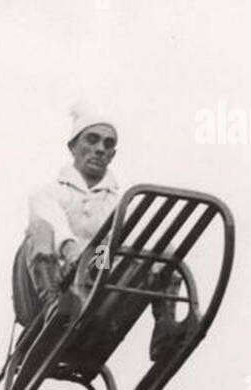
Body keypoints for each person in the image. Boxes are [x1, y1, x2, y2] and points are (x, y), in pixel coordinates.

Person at [17, 101, 184, 359]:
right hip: (50, 280)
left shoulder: (115, 203)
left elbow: (116, 248)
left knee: (160, 246)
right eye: (92, 140)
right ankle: (54, 308)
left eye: (107, 144)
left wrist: (150, 259)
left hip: (93, 278)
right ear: (73, 147)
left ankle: (165, 324)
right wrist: (70, 250)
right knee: (40, 228)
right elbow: (51, 219)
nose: (99, 149)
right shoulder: (51, 193)